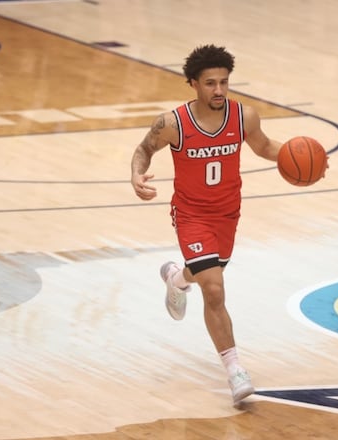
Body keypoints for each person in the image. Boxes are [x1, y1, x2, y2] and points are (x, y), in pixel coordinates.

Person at [130, 44, 321, 405]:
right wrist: (136, 175)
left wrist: (309, 157)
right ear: (193, 84)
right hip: (191, 214)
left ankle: (175, 278)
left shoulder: (243, 116)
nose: (218, 91)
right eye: (209, 83)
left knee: (205, 275)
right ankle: (235, 370)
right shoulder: (173, 123)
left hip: (227, 213)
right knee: (214, 290)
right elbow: (143, 149)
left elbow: (264, 146)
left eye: (224, 83)